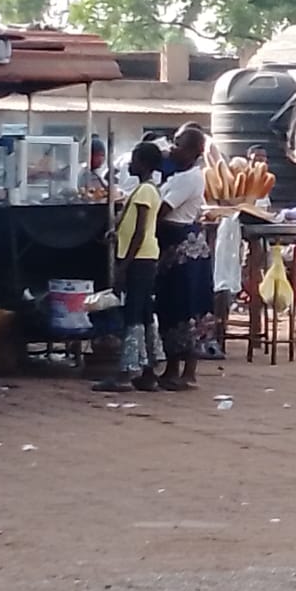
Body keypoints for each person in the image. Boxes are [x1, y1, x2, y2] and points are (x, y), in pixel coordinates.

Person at [93, 142, 165, 393]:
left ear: (143, 163)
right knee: (144, 314)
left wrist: (124, 265)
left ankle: (126, 373)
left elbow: (140, 232)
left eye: (134, 160)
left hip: (140, 259)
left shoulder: (145, 191)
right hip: (145, 258)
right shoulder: (146, 189)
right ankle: (148, 373)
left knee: (133, 315)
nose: (130, 164)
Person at [155, 125, 215, 389]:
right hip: (171, 249)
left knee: (188, 308)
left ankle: (188, 371)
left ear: (192, 150)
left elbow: (161, 210)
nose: (172, 148)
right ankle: (171, 368)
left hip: (184, 249)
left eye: (178, 144)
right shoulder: (175, 176)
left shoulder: (191, 178)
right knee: (170, 308)